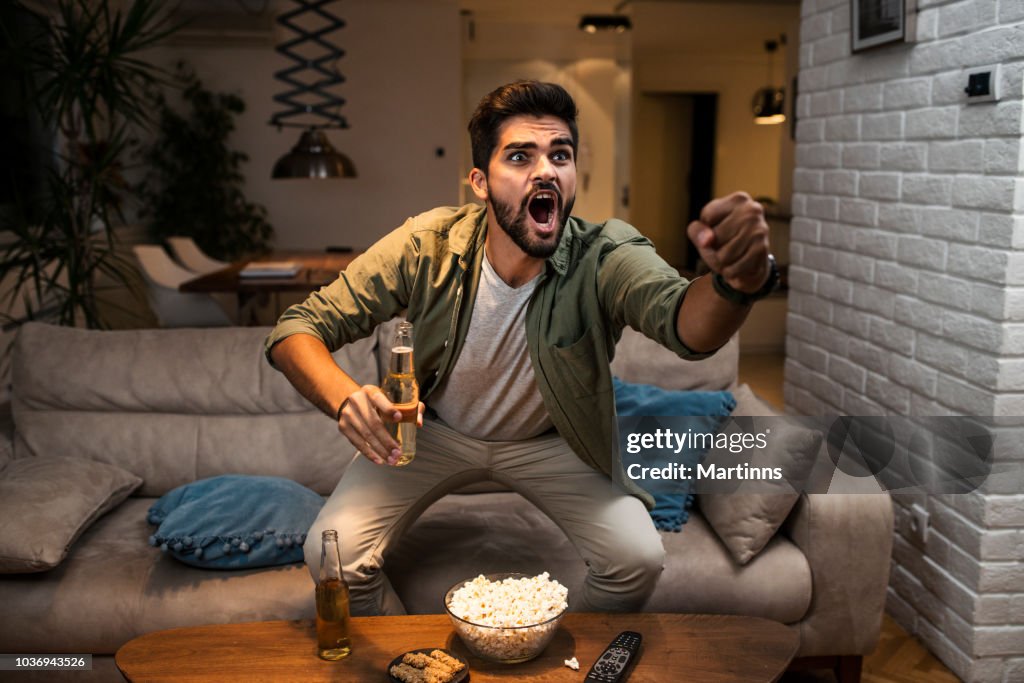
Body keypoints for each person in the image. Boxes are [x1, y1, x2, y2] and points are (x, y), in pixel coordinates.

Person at [265, 80, 777, 616]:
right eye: (520, 156)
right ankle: (419, 663)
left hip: (551, 442)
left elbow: (686, 326)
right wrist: (347, 399)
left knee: (637, 558)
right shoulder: (427, 246)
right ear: (480, 183)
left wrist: (735, 283)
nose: (546, 170)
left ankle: (555, 662)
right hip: (433, 433)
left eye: (561, 154)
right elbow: (296, 329)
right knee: (332, 555)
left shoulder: (604, 255)